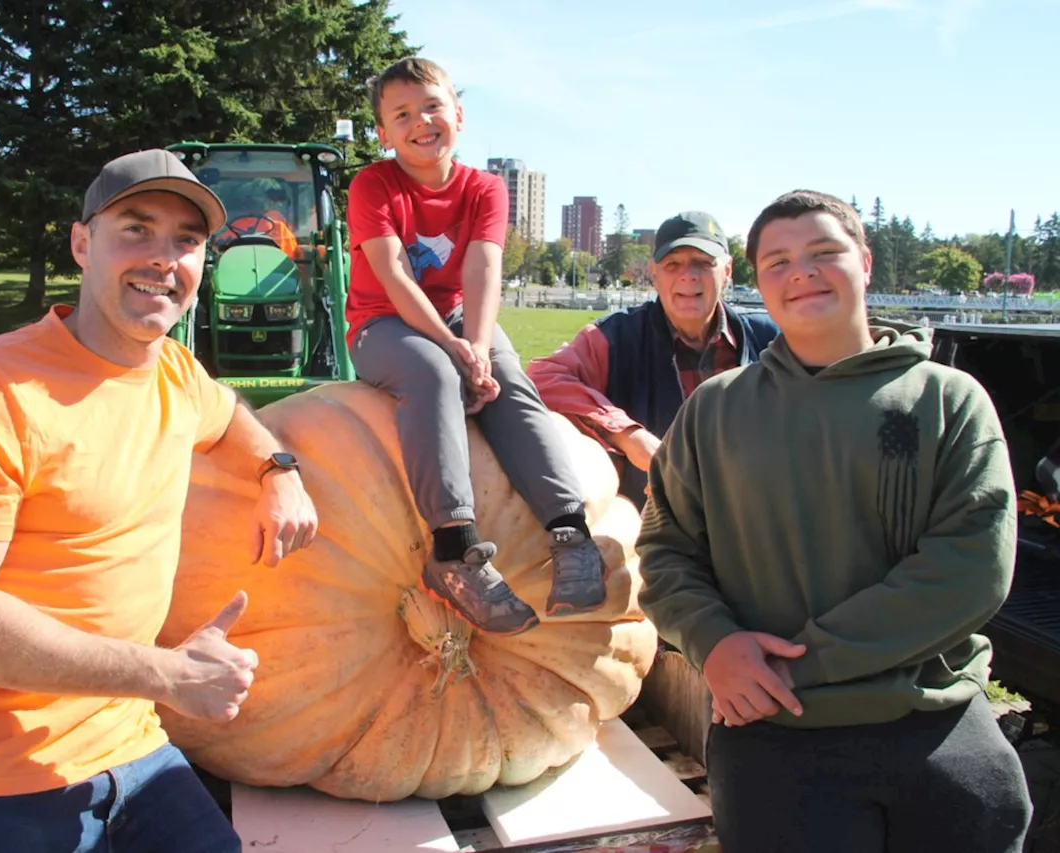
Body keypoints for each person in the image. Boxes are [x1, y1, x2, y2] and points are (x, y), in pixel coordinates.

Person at [0, 149, 319, 853]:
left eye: (186, 241)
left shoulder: (175, 372)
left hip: (127, 742)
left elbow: (226, 418)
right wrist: (168, 675)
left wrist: (279, 469)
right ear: (81, 243)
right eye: (136, 229)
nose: (165, 257)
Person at [634, 189, 1032, 853]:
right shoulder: (715, 411)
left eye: (824, 253)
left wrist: (796, 665)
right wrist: (714, 640)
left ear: (866, 262)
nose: (802, 273)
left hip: (931, 722)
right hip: (776, 735)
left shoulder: (947, 399)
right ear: (757, 281)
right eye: (779, 261)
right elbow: (666, 548)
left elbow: (970, 568)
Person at [344, 56, 607, 636]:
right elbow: (393, 278)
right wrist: (455, 350)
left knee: (512, 384)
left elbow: (484, 269)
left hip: (460, 318)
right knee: (434, 374)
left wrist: (482, 348)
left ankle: (570, 532)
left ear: (458, 115)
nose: (421, 121)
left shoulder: (484, 188)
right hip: (382, 324)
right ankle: (453, 551)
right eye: (402, 114)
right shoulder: (373, 185)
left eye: (433, 106)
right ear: (384, 134)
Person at [527, 211, 779, 507]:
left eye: (703, 262)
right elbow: (542, 378)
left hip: (754, 514)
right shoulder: (616, 338)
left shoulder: (770, 338)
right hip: (653, 525)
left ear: (727, 271)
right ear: (654, 273)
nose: (688, 275)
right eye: (673, 264)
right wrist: (630, 437)